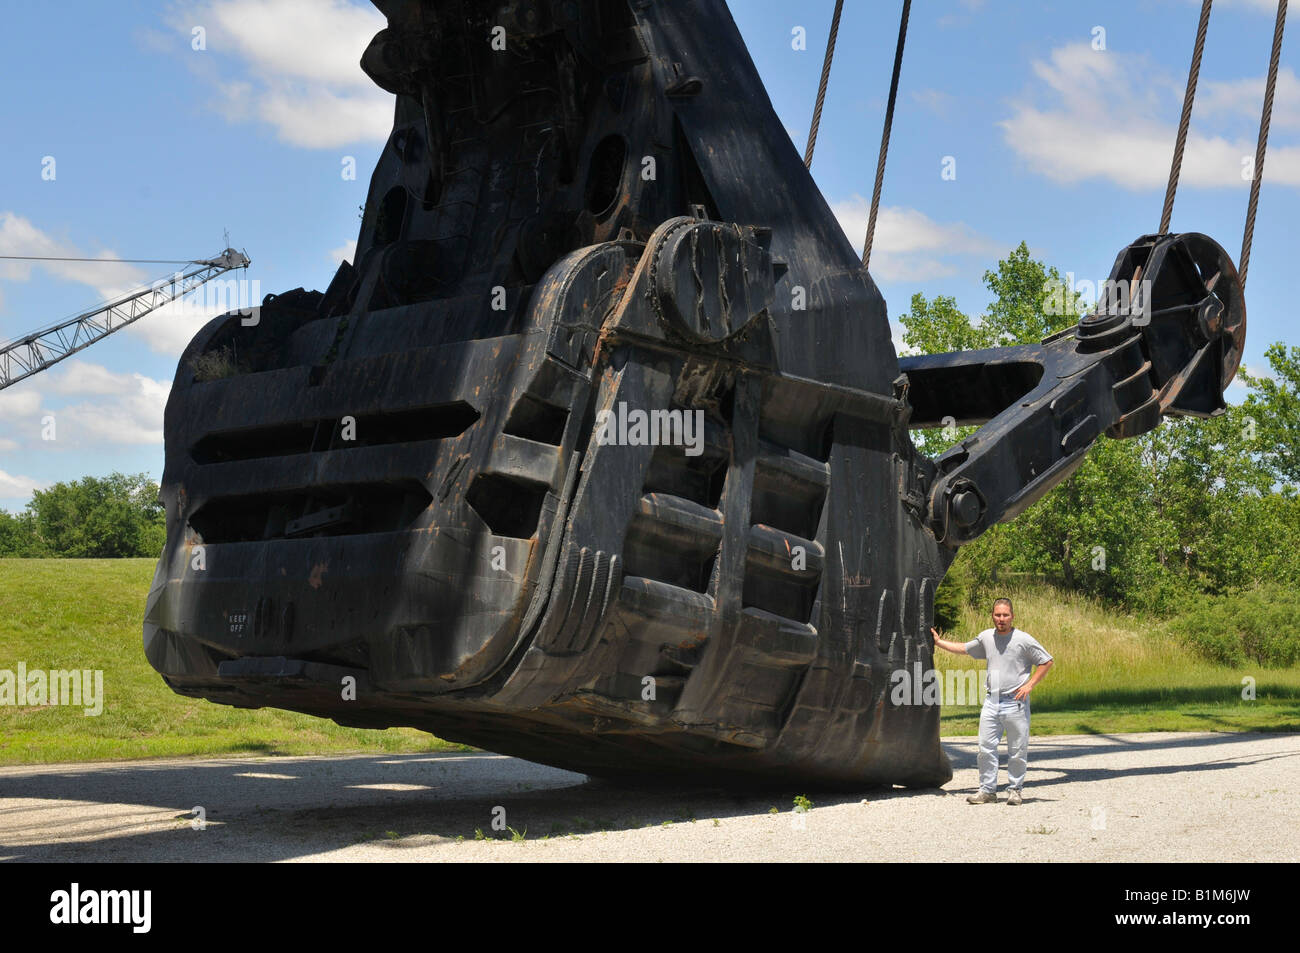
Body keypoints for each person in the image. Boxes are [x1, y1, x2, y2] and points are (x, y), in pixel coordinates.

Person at [930, 597, 1053, 805]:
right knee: (985, 748)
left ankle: (1015, 790)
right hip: (991, 701)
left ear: (1012, 616)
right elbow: (964, 649)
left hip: (1015, 703)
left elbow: (1046, 661)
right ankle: (987, 791)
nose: (1001, 619)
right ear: (992, 616)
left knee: (1017, 749)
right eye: (998, 615)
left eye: (1005, 615)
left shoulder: (1023, 639)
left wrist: (1029, 685)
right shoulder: (986, 637)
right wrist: (939, 642)